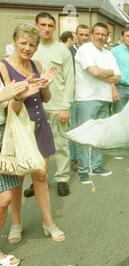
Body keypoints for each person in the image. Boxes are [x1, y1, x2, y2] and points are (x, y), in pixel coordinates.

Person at [0, 23, 64, 243]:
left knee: (41, 175)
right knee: (17, 177)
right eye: (23, 43)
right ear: (15, 41)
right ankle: (16, 224)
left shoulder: (37, 64)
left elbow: (45, 99)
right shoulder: (3, 67)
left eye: (32, 45)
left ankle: (48, 222)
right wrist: (22, 93)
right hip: (19, 129)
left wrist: (45, 85)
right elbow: (10, 109)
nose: (28, 48)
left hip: (39, 125)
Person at [28, 12, 75, 198]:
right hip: (34, 106)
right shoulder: (31, 49)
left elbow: (70, 80)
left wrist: (65, 106)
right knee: (34, 146)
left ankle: (62, 178)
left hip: (57, 106)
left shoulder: (62, 50)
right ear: (36, 25)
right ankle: (38, 179)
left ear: (54, 28)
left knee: (61, 144)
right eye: (43, 24)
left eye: (50, 25)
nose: (46, 28)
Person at [74, 22, 121, 184]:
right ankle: (83, 170)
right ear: (92, 34)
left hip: (104, 98)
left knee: (99, 134)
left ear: (107, 36)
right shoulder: (84, 50)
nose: (101, 37)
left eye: (104, 34)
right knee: (85, 135)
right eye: (98, 34)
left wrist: (102, 73)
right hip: (87, 98)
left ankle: (96, 165)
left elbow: (118, 77)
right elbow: (93, 72)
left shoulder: (108, 54)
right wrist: (108, 72)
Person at [0, 75, 38, 266]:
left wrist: (19, 97)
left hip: (3, 136)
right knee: (4, 199)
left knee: (4, 199)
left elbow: (8, 112)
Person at [68, 24, 90, 172]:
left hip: (88, 95)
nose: (83, 37)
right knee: (74, 127)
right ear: (76, 35)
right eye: (81, 34)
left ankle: (86, 157)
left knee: (86, 127)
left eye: (86, 35)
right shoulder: (69, 51)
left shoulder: (91, 52)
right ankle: (74, 158)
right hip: (73, 95)